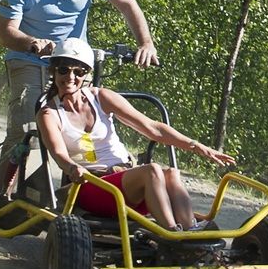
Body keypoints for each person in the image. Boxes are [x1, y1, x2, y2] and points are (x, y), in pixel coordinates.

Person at [0, 0, 158, 196]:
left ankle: (81, 194)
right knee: (27, 129)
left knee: (88, 126)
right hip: (30, 59)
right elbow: (5, 33)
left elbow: (126, 3)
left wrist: (145, 43)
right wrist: (33, 43)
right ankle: (3, 195)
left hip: (72, 60)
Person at [36, 38, 233, 233]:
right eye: (63, 69)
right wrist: (72, 168)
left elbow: (153, 128)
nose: (70, 77)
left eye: (78, 71)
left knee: (171, 174)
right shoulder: (49, 114)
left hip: (125, 179)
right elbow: (59, 154)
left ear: (86, 74)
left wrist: (196, 145)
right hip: (91, 185)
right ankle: (173, 234)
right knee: (151, 170)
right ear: (53, 70)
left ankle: (192, 234)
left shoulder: (100, 97)